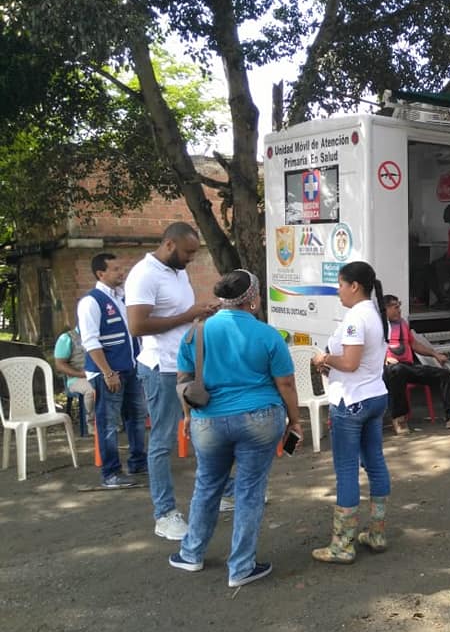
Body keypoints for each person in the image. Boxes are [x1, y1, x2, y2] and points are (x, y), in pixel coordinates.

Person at [169, 269, 301, 588]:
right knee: (250, 490)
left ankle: (191, 554)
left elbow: (183, 381)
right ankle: (241, 567)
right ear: (253, 300)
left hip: (208, 422)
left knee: (207, 484)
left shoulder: (196, 333)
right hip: (259, 419)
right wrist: (295, 421)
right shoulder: (268, 335)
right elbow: (285, 383)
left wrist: (188, 417)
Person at [127, 222, 219, 540]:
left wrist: (200, 314)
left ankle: (221, 491)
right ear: (169, 244)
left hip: (186, 364)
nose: (191, 258)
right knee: (162, 441)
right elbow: (137, 326)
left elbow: (180, 314)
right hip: (161, 367)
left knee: (206, 427)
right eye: (188, 252)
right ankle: (164, 514)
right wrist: (188, 314)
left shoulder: (177, 271)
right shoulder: (144, 274)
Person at [310, 261, 392, 564]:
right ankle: (377, 533)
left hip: (351, 401)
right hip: (374, 397)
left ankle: (342, 545)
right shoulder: (374, 313)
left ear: (354, 286)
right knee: (375, 463)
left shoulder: (356, 317)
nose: (338, 291)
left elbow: (350, 363)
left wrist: (324, 357)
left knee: (346, 471)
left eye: (340, 285)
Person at [76, 253, 148, 488]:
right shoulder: (91, 302)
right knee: (108, 423)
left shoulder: (122, 298)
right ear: (101, 274)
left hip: (131, 368)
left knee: (136, 417)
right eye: (116, 269)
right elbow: (91, 342)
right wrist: (108, 372)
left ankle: (138, 462)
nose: (122, 272)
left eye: (121, 268)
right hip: (109, 374)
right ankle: (111, 474)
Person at [382, 294, 450, 434]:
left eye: (399, 307)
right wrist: (384, 359)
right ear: (386, 309)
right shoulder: (378, 326)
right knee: (397, 371)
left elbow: (414, 344)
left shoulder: (402, 323)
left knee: (443, 374)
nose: (399, 310)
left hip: (408, 367)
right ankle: (399, 418)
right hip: (389, 369)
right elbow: (369, 349)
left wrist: (435, 354)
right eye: (396, 307)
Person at [53, 323, 96, 436]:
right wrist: (80, 374)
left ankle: (114, 421)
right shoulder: (66, 338)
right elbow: (60, 364)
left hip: (100, 375)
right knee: (92, 390)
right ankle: (92, 424)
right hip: (77, 379)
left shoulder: (97, 334)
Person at [427, 204, 450, 308]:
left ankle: (448, 299)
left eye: (447, 213)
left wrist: (447, 258)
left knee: (441, 266)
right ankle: (441, 297)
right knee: (429, 267)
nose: (445, 216)